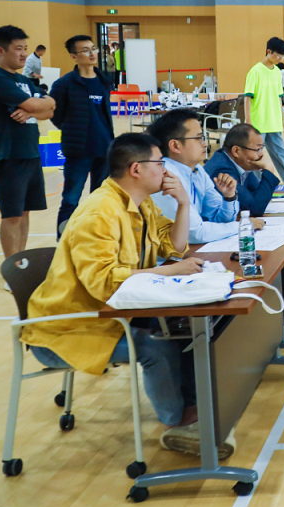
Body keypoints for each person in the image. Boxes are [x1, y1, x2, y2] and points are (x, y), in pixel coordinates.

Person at [18, 132, 233, 458]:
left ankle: (193, 409)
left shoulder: (140, 203)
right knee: (154, 345)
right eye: (159, 163)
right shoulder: (99, 213)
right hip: (67, 330)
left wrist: (183, 203)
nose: (165, 171)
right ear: (136, 169)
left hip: (113, 314)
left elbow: (174, 246)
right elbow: (105, 283)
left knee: (183, 327)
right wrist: (171, 271)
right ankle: (176, 425)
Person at [0, 26, 55, 260]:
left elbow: (50, 109)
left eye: (25, 49)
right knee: (12, 215)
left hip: (30, 153)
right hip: (7, 155)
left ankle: (21, 263)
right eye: (18, 49)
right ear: (0, 50)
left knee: (24, 212)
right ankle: (13, 268)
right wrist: (34, 107)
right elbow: (36, 104)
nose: (23, 54)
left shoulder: (23, 80)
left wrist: (32, 111)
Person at [149, 109, 262, 244]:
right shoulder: (164, 175)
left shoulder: (197, 169)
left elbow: (219, 218)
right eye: (199, 138)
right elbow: (196, 233)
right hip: (166, 255)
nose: (206, 144)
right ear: (175, 146)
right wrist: (241, 226)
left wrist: (229, 197)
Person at [49, 35, 115, 234]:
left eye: (93, 48)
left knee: (101, 199)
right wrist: (73, 130)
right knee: (71, 198)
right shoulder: (64, 84)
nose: (92, 53)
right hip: (78, 150)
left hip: (104, 148)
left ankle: (97, 238)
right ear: (73, 56)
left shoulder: (103, 81)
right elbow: (55, 114)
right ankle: (64, 240)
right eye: (85, 50)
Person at [243, 36, 284, 184]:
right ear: (269, 51)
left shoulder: (277, 72)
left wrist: (283, 119)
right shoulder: (255, 71)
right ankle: (257, 187)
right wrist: (248, 121)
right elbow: (248, 97)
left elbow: (279, 97)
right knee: (256, 158)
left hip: (274, 123)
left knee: (282, 155)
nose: (280, 59)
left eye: (283, 56)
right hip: (258, 124)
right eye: (278, 55)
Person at [205, 123, 281, 217]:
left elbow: (258, 195)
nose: (261, 154)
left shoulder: (241, 163)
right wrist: (269, 170)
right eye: (257, 149)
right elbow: (255, 208)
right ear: (236, 151)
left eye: (261, 149)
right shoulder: (222, 171)